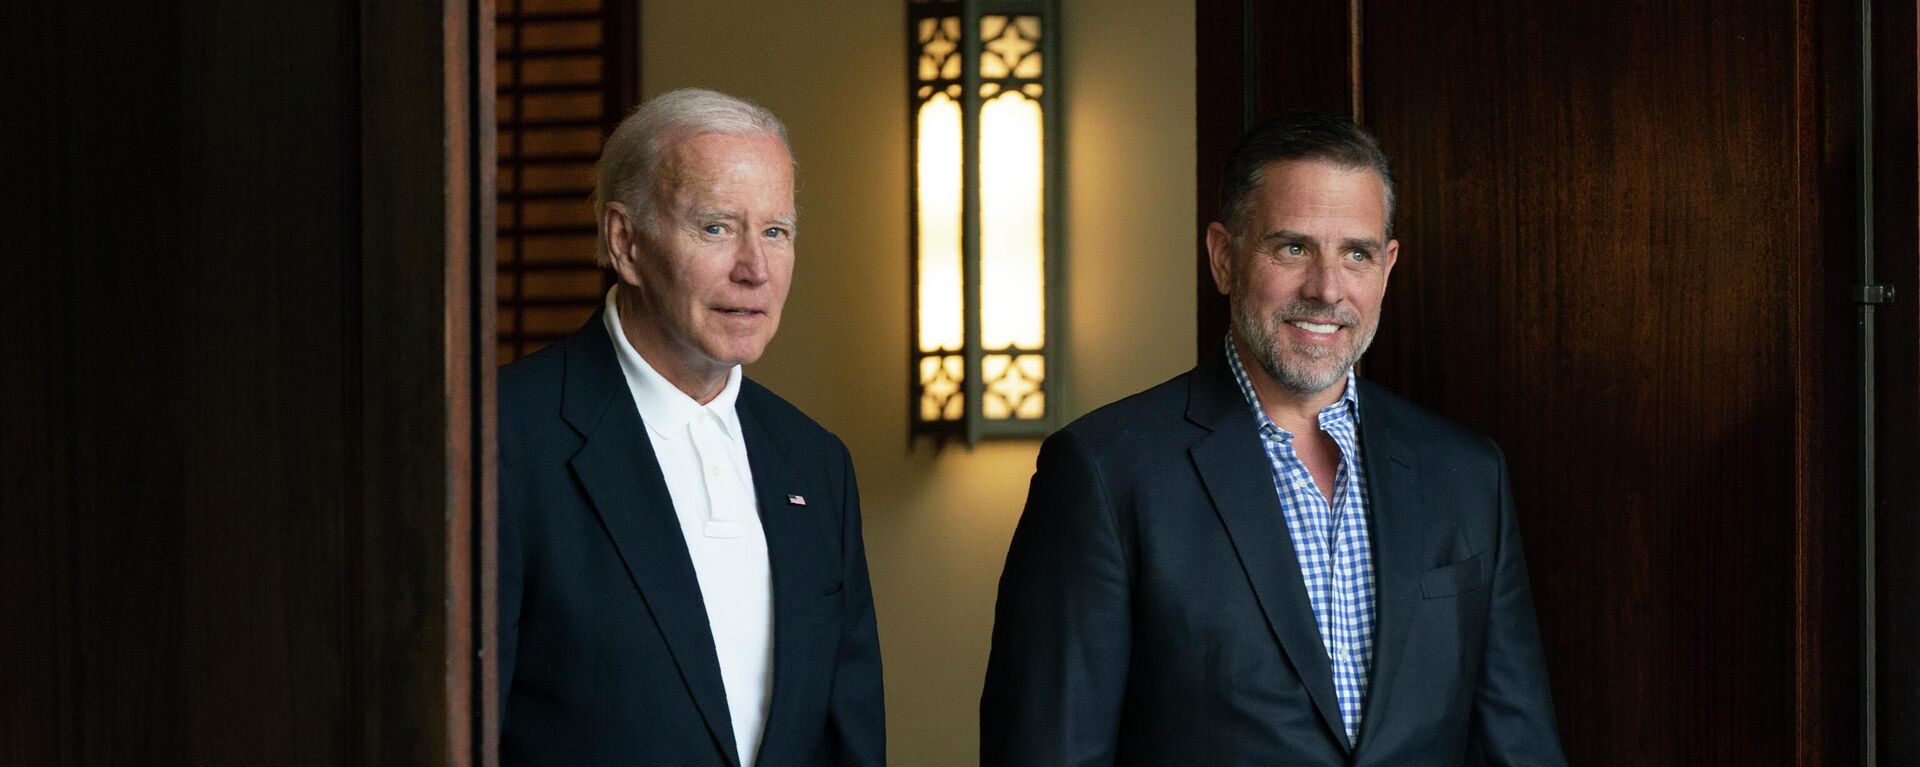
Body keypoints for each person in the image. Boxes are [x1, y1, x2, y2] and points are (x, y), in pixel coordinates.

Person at [980, 111, 1566, 765]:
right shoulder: (1103, 472)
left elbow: (1520, 748)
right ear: (1224, 257)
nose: (1326, 288)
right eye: (1292, 247)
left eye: (1356, 253)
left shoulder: (1466, 474)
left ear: (1388, 265)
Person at [499, 88, 884, 767]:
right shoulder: (505, 436)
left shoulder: (816, 463)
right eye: (715, 227)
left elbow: (847, 740)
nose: (755, 269)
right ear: (626, 243)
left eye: (776, 231)